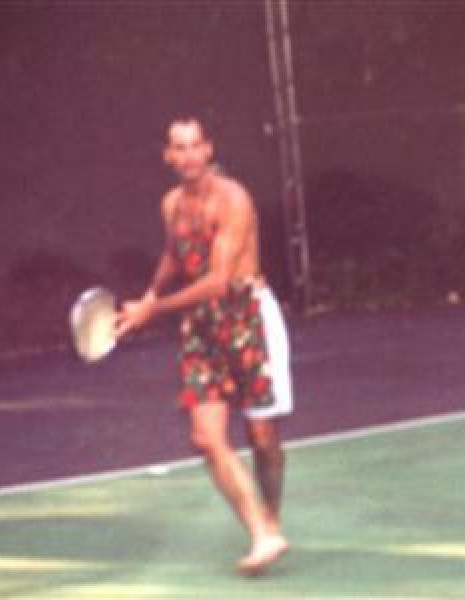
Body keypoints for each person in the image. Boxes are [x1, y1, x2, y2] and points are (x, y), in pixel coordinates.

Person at [116, 117, 293, 574]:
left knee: (263, 438)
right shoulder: (171, 204)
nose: (189, 155)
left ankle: (272, 518)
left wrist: (154, 311)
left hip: (248, 317)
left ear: (209, 149)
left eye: (196, 145)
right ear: (168, 156)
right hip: (201, 326)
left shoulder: (234, 199)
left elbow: (217, 281)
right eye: (180, 147)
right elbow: (174, 254)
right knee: (205, 438)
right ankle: (262, 534)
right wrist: (149, 297)